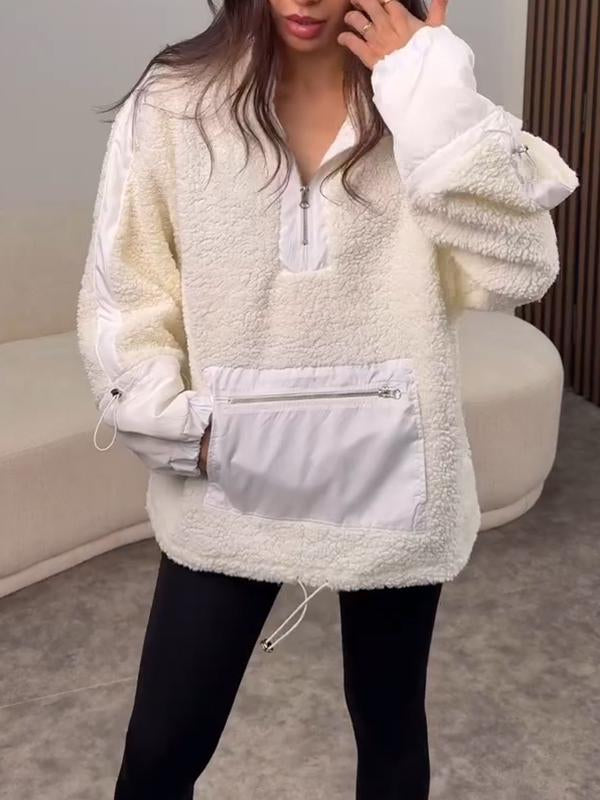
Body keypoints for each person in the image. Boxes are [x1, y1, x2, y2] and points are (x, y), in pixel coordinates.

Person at [76, 0, 579, 797]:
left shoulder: (417, 100)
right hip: (227, 479)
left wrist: (431, 97)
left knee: (390, 730)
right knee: (161, 747)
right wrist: (187, 437)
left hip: (395, 482)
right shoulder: (175, 100)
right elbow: (125, 291)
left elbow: (520, 270)